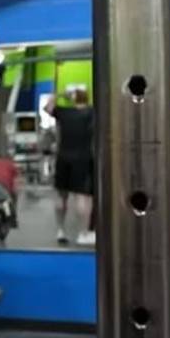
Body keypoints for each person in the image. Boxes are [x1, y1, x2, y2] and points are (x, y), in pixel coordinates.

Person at [43, 88, 95, 245]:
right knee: (82, 197)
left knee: (61, 196)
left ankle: (60, 231)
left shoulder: (64, 112)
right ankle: (83, 234)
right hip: (83, 159)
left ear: (73, 98)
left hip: (63, 158)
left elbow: (47, 107)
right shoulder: (91, 112)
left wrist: (60, 95)